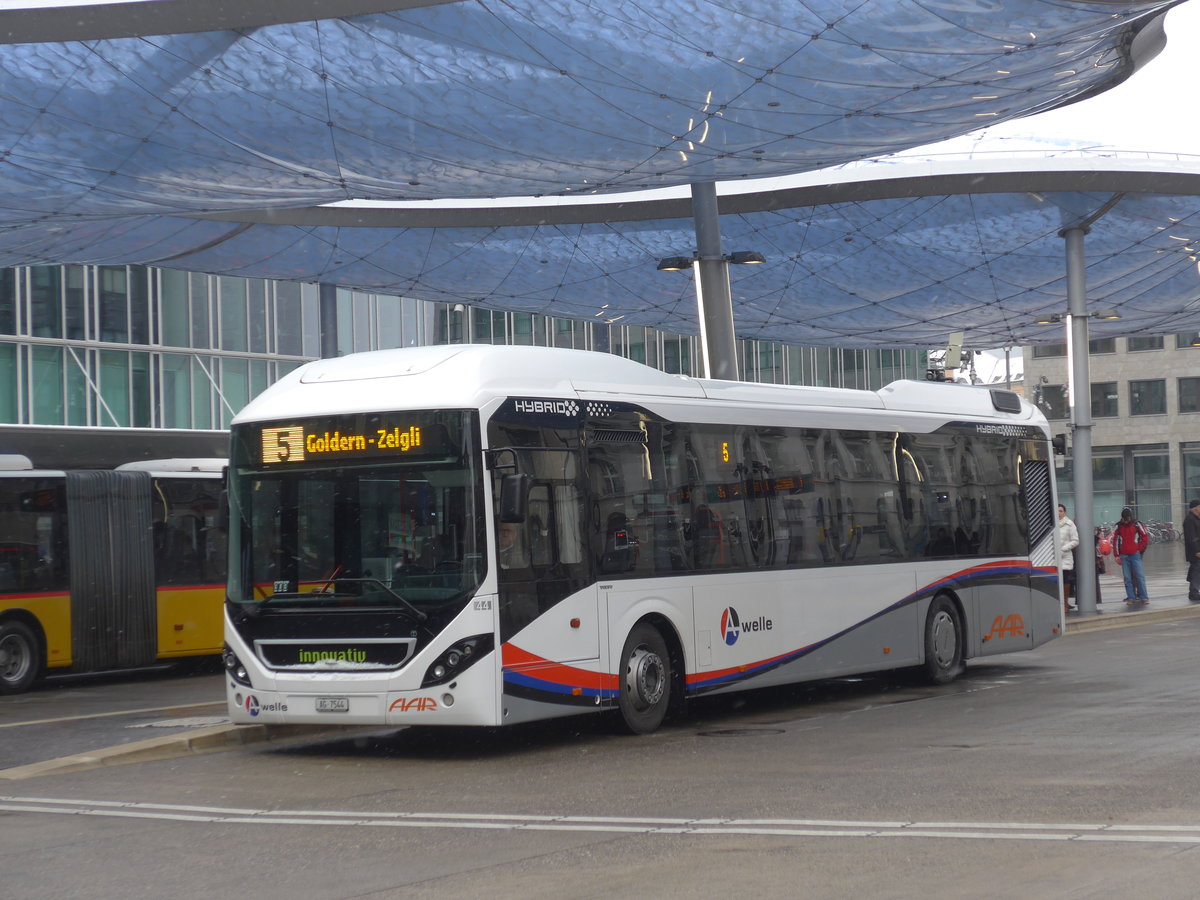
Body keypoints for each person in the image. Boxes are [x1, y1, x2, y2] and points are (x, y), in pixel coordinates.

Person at [1112, 506, 1150, 607]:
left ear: (1130, 517)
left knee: (1139, 577)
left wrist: (1139, 548)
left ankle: (1144, 597)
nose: (1126, 521)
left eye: (1127, 518)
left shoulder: (1137, 524)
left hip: (1134, 554)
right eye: (1124, 519)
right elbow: (1115, 541)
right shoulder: (1118, 526)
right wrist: (1116, 555)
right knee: (1128, 578)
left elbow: (1145, 536)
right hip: (1125, 555)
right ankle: (1131, 597)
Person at [1057, 504, 1079, 613]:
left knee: (1066, 581)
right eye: (1057, 511)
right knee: (1056, 581)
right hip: (1054, 557)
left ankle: (1065, 603)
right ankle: (1059, 603)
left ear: (1064, 512)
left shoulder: (1070, 524)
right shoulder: (1051, 524)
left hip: (1065, 557)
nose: (1059, 513)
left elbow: (1075, 540)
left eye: (1061, 511)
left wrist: (1064, 548)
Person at [1184, 499, 1200, 602]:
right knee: (1196, 570)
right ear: (1196, 508)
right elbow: (1192, 537)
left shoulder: (1196, 518)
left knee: (1196, 570)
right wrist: (1197, 551)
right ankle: (1193, 593)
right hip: (1195, 552)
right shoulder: (1190, 519)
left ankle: (1194, 591)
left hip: (1197, 550)